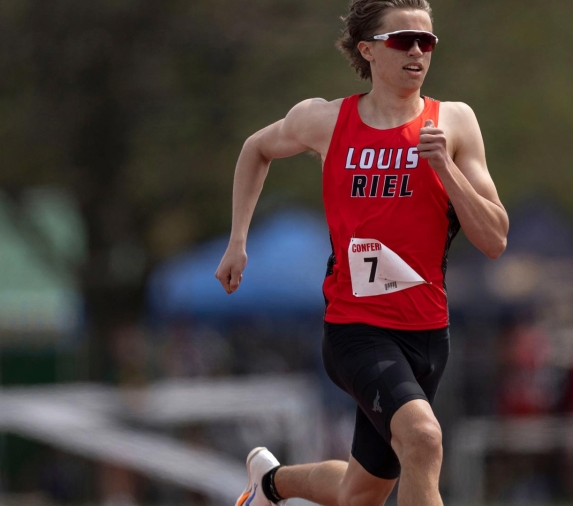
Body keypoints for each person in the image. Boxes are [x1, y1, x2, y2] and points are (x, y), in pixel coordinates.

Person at [214, 1, 508, 505]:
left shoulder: (454, 123)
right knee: (424, 438)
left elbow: (495, 238)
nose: (417, 50)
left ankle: (268, 484)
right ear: (368, 49)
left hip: (428, 333)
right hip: (356, 328)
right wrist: (237, 241)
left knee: (362, 492)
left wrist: (446, 170)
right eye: (402, 40)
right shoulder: (326, 121)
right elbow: (255, 149)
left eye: (427, 41)